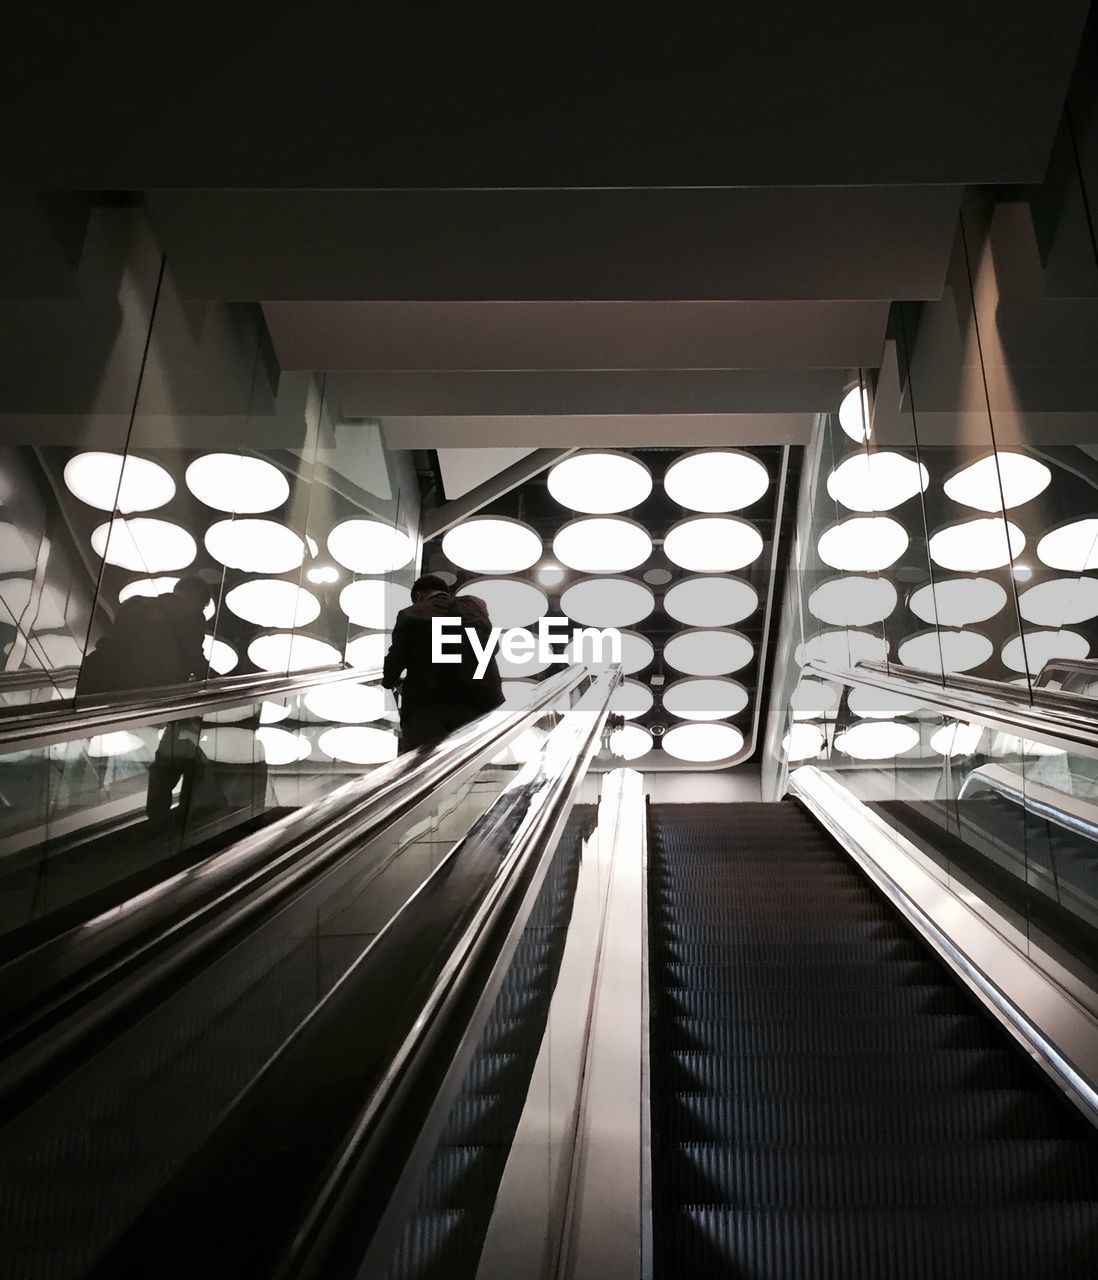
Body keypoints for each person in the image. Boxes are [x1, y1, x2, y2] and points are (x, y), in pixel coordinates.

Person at [80, 575, 213, 822]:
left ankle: (158, 816)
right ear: (198, 599)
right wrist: (217, 682)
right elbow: (194, 657)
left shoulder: (135, 603)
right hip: (144, 691)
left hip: (99, 679)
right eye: (203, 606)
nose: (202, 611)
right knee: (189, 761)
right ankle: (167, 820)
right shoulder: (192, 615)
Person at [382, 574, 504, 751]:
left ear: (418, 596)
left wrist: (389, 681)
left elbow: (396, 660)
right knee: (467, 758)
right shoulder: (473, 609)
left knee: (423, 764)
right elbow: (492, 647)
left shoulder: (411, 614)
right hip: (480, 701)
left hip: (430, 706)